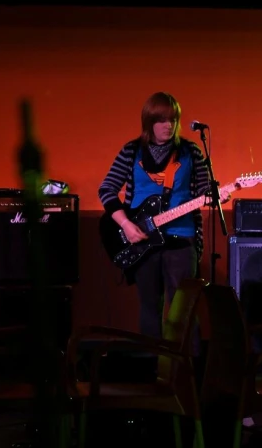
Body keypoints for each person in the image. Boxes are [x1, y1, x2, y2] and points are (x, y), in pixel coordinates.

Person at [99, 92, 216, 345]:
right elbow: (107, 189)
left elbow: (204, 192)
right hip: (143, 240)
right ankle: (152, 370)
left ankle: (186, 372)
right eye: (162, 120)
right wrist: (127, 225)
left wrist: (218, 194)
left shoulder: (190, 151)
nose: (169, 125)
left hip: (182, 240)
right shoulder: (131, 151)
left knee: (183, 311)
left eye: (173, 119)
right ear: (149, 121)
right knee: (150, 308)